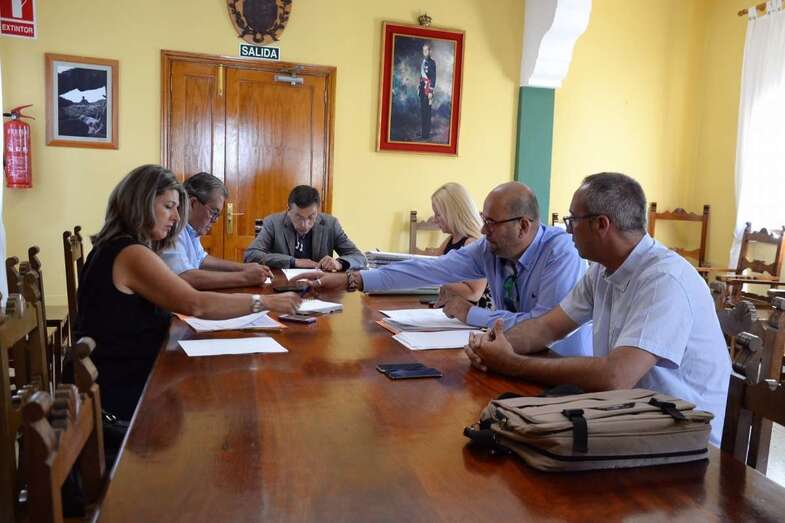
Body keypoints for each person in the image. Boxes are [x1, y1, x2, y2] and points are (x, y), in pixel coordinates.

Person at [465, 173, 731, 445]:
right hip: (631, 418)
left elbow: (615, 376)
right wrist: (495, 346)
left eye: (573, 221)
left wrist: (513, 364)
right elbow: (547, 327)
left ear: (601, 224)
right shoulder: (602, 271)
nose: (568, 231)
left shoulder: (664, 279)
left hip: (686, 438)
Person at [74, 164, 302, 422]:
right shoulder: (130, 254)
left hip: (127, 373)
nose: (175, 218)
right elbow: (196, 304)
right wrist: (266, 302)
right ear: (141, 203)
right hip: (124, 391)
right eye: (168, 207)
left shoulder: (119, 247)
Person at [304, 181, 592, 357]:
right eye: (483, 219)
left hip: (557, 365)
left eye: (491, 223)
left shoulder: (560, 252)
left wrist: (472, 313)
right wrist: (350, 279)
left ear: (524, 226)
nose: (483, 230)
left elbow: (542, 326)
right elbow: (424, 270)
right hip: (510, 353)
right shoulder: (489, 249)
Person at [160, 172, 272, 290]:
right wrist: (245, 277)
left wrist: (244, 267)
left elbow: (201, 259)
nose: (215, 220)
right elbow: (185, 277)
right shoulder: (172, 228)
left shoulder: (191, 229)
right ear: (193, 203)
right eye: (213, 213)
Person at [243, 185, 367, 271]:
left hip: (321, 288)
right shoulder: (273, 223)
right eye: (298, 217)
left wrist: (339, 263)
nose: (305, 224)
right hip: (282, 288)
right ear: (288, 211)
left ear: (317, 212)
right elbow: (251, 255)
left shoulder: (331, 224)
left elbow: (359, 258)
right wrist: (293, 261)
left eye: (311, 217)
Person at [424, 182, 492, 308]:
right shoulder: (450, 240)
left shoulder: (473, 244)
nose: (434, 219)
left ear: (453, 214)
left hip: (473, 317)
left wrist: (436, 278)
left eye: (438, 214)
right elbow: (434, 267)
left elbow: (474, 293)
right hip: (452, 312)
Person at [418, 42, 436, 140]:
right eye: (423, 50)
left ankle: (426, 134)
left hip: (428, 90)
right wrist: (419, 86)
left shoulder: (432, 62)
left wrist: (430, 91)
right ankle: (423, 132)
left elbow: (433, 77)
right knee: (422, 111)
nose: (425, 52)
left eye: (427, 50)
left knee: (427, 112)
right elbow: (421, 77)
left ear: (430, 51)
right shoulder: (423, 61)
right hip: (422, 89)